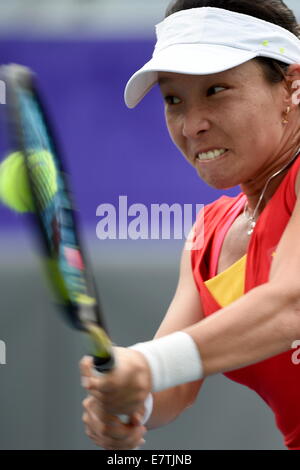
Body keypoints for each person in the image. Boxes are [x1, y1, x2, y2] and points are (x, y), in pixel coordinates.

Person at [80, 0, 300, 450]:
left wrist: (147, 364)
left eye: (218, 90)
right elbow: (173, 388)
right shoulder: (209, 233)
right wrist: (129, 402)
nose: (192, 124)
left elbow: (290, 306)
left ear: (292, 87)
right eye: (173, 99)